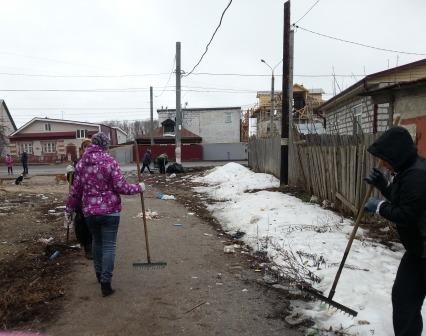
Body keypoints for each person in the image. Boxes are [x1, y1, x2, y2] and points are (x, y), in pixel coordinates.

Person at [65, 132, 145, 297]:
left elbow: (75, 191)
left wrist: (69, 209)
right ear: (105, 146)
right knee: (108, 246)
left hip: (90, 212)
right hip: (110, 212)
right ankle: (106, 284)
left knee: (97, 242)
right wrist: (139, 187)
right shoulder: (110, 162)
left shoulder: (81, 164)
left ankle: (99, 275)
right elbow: (121, 187)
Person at [364, 126, 426, 336]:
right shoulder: (408, 171)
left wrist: (379, 207)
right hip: (418, 252)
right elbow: (406, 201)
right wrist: (384, 187)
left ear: (397, 156)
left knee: (406, 301)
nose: (382, 163)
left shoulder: (417, 175)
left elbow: (407, 215)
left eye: (384, 158)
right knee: (404, 300)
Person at [67, 139, 93, 259]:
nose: (87, 149)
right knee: (82, 224)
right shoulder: (76, 163)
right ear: (81, 150)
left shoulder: (95, 161)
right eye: (85, 147)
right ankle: (87, 247)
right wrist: (69, 174)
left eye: (90, 146)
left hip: (93, 197)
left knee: (93, 222)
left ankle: (94, 245)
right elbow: (73, 184)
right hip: (80, 198)